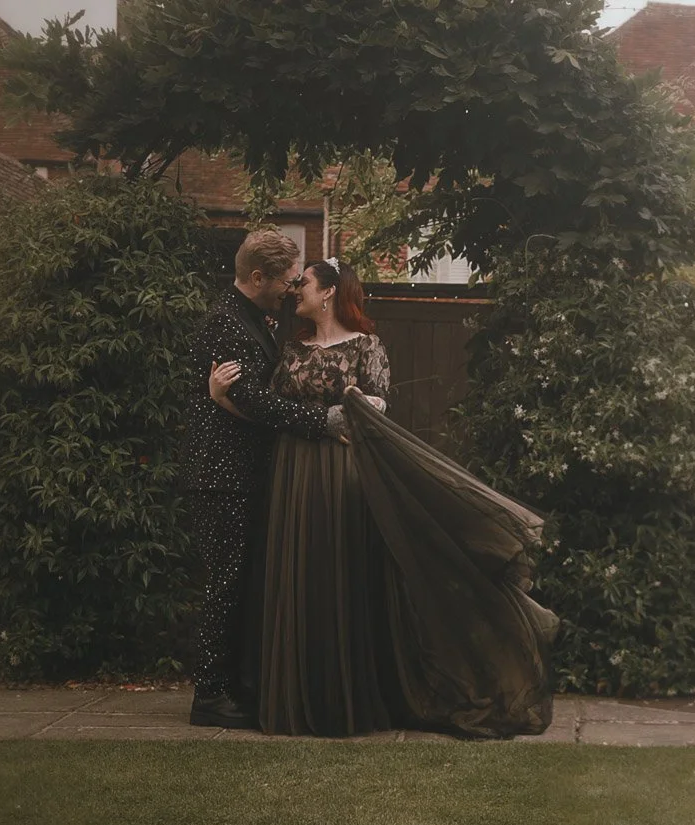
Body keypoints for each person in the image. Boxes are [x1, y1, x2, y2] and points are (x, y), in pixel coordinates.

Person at [210, 257, 558, 738]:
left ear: (330, 291)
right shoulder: (290, 349)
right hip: (290, 475)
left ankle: (341, 702)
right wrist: (223, 398)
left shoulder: (366, 346)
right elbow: (272, 411)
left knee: (337, 574)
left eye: (304, 283)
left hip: (340, 475)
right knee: (298, 576)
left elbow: (377, 406)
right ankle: (296, 700)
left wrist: (358, 404)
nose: (296, 291)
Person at [180, 231, 344, 730]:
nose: (293, 290)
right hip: (224, 474)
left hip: (246, 470)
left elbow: (248, 393)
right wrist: (322, 422)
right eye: (288, 282)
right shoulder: (227, 324)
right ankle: (210, 696)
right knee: (225, 583)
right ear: (258, 278)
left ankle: (237, 684)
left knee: (243, 581)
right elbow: (252, 398)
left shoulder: (258, 318)